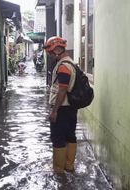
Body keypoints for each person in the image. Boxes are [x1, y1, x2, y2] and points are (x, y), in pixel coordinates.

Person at [43, 36, 78, 173]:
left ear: (58, 49)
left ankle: (58, 170)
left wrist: (54, 111)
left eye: (51, 52)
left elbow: (62, 90)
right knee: (70, 135)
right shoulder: (71, 63)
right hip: (71, 108)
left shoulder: (63, 66)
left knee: (58, 138)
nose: (51, 55)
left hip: (62, 109)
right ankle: (69, 166)